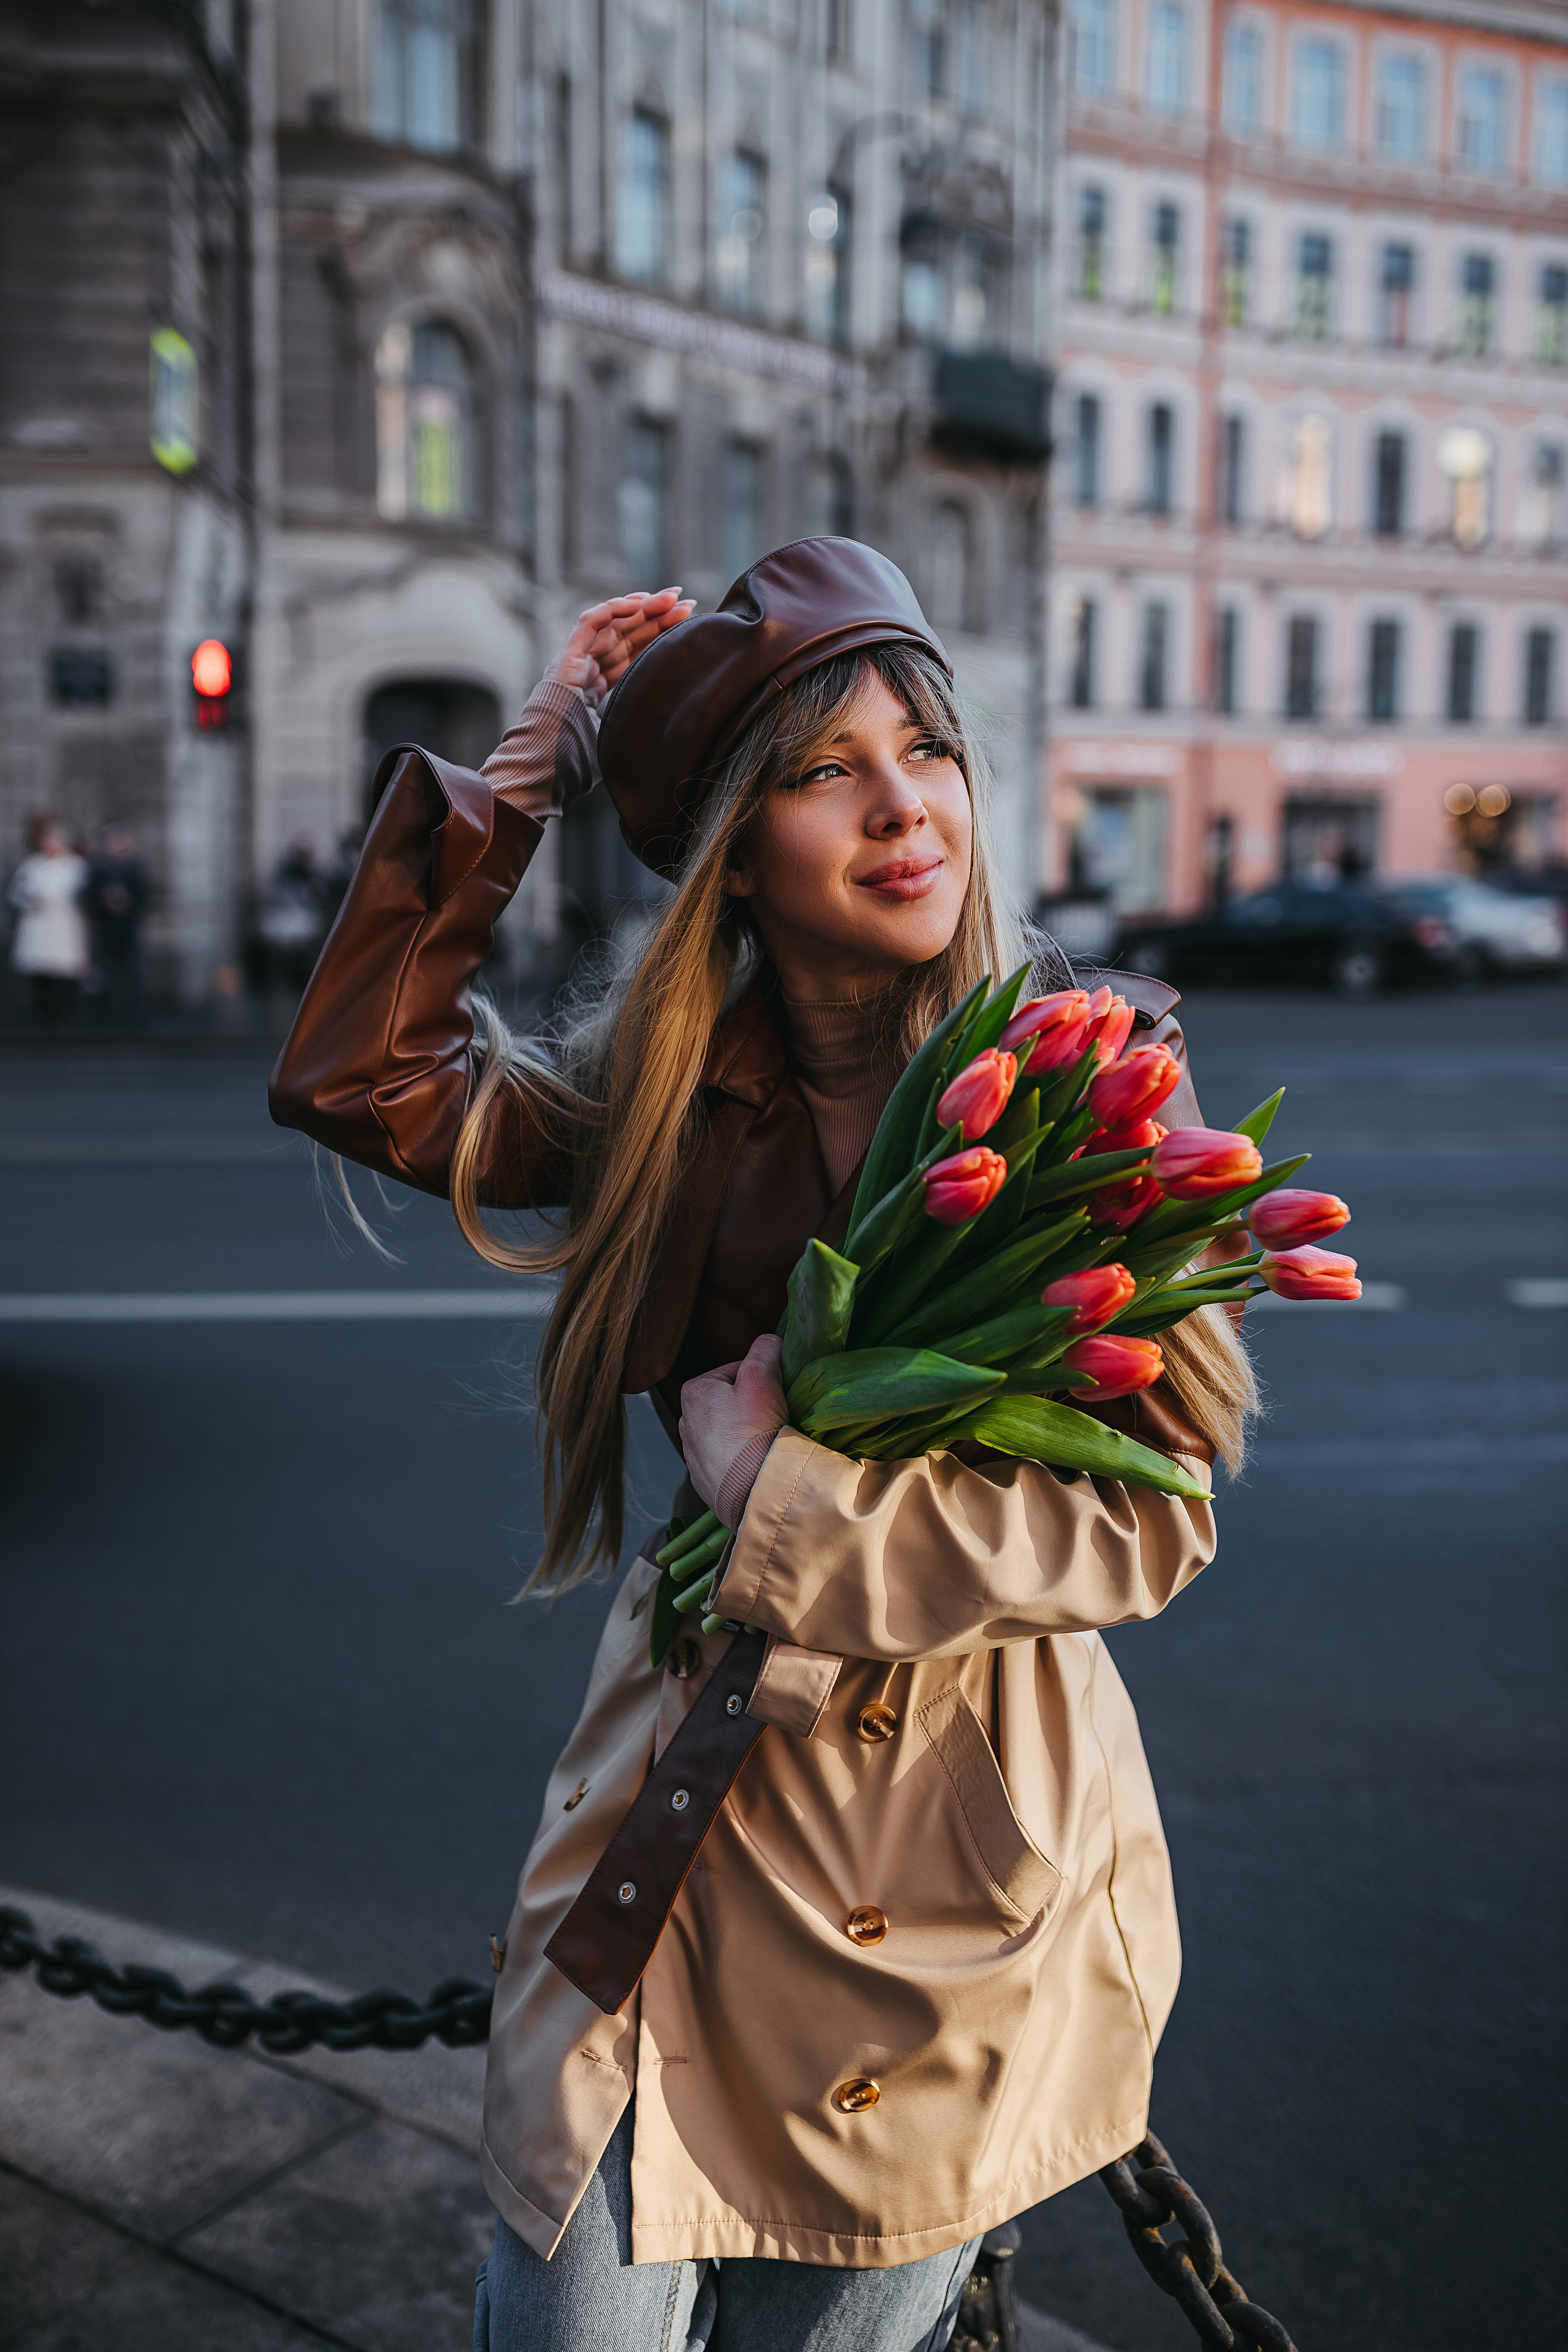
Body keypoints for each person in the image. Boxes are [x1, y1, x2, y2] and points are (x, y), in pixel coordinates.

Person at [270, 540, 1256, 2352]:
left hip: (944, 1831)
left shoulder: (1080, 1072)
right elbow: (362, 1079)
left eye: (926, 747)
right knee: (565, 2313)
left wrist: (774, 1493)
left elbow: (1150, 1517)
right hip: (683, 1784)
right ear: (733, 843)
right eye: (821, 771)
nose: (903, 806)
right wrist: (522, 774)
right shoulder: (673, 1090)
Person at [9, 813, 90, 1027]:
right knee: (39, 975)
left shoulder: (76, 867)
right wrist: (29, 900)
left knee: (63, 977)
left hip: (64, 929)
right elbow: (16, 894)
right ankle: (42, 1018)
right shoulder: (33, 865)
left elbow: (83, 898)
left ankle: (65, 1020)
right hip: (37, 928)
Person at [83, 823, 151, 1029]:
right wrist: (105, 900)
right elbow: (89, 896)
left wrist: (127, 902)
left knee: (132, 975)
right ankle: (104, 1017)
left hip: (128, 929)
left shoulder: (136, 868)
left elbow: (145, 897)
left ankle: (134, 1017)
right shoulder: (99, 869)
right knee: (105, 974)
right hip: (106, 929)